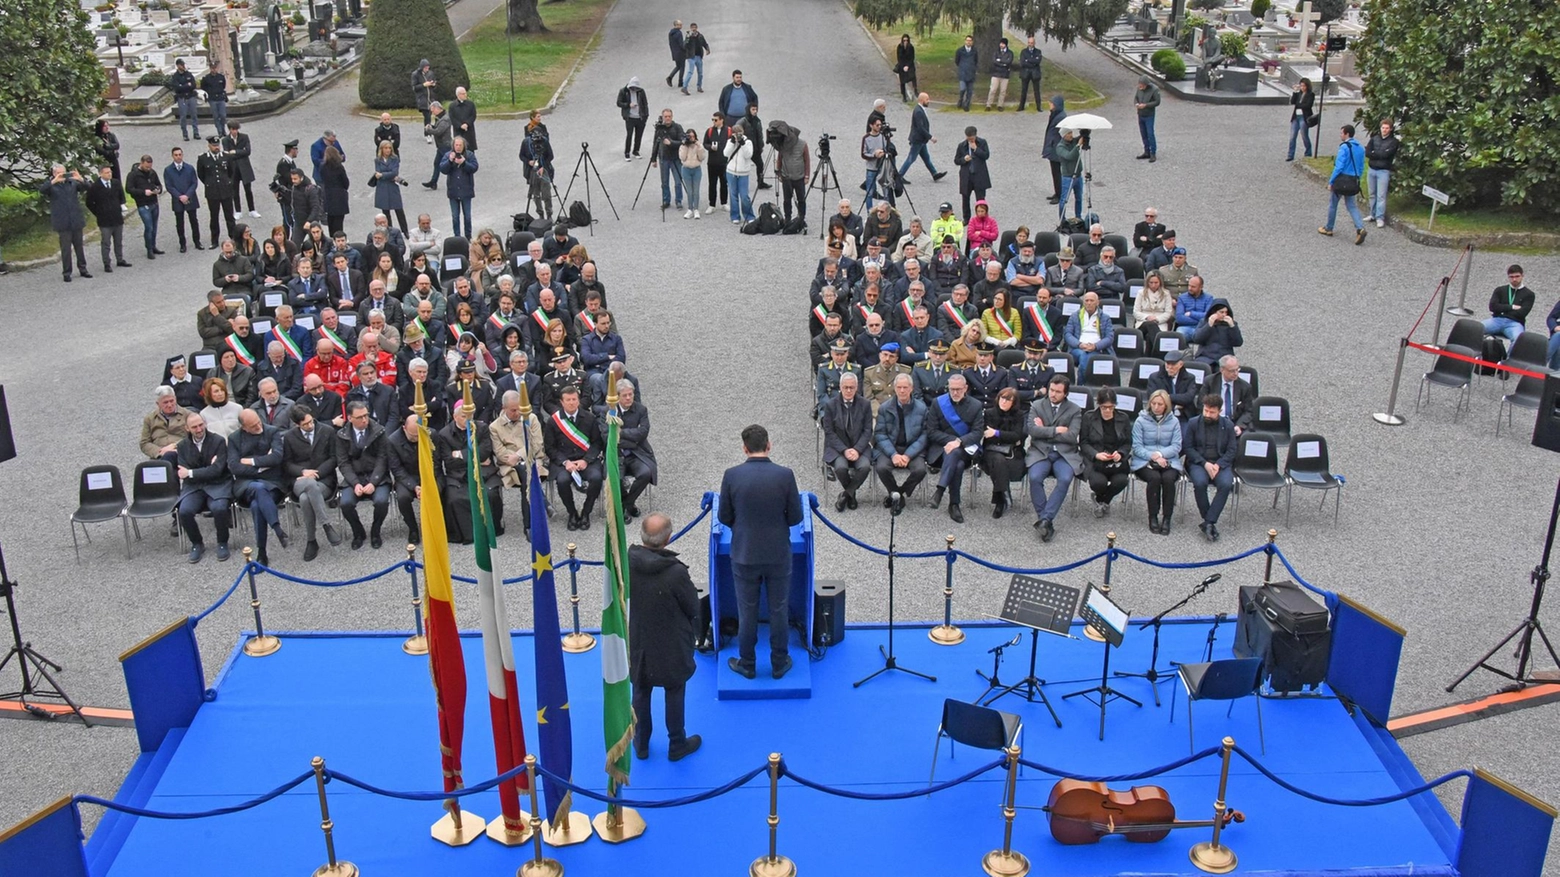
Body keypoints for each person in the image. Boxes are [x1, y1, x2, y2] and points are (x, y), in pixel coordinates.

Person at [718, 424, 803, 681]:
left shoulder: (731, 475)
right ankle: (779, 662)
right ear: (769, 445)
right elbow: (795, 517)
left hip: (744, 554)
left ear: (744, 448)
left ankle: (747, 663)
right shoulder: (785, 475)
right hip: (778, 553)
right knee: (779, 610)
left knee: (747, 611)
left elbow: (724, 516)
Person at [629, 512, 702, 761]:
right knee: (674, 690)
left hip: (640, 639)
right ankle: (677, 744)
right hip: (671, 643)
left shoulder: (629, 561)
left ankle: (641, 743)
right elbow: (693, 606)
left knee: (641, 690)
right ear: (668, 538)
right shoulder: (675, 573)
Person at [228, 408, 289, 565]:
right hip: (246, 485)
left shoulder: (272, 432)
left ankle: (262, 552)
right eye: (253, 426)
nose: (258, 427)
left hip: (272, 482)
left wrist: (251, 461)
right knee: (258, 488)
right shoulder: (234, 439)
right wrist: (263, 465)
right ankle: (277, 529)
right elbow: (234, 466)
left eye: (258, 422)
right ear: (244, 427)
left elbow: (276, 458)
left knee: (257, 505)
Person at [1025, 374, 1081, 543]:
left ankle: (1045, 519)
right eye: (1051, 390)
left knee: (1064, 479)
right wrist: (1057, 430)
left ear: (1065, 394)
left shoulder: (1075, 410)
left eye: (1058, 391)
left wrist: (1046, 431)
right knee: (1034, 477)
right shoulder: (1036, 405)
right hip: (1040, 452)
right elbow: (1032, 431)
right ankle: (1046, 519)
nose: (1053, 394)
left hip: (1064, 454)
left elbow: (1072, 436)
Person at [281, 406, 341, 561]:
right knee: (308, 485)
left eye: (310, 421)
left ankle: (311, 540)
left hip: (324, 479)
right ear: (296, 424)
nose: (309, 425)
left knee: (305, 499)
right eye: (305, 424)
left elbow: (334, 458)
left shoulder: (327, 431)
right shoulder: (289, 437)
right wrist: (303, 472)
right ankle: (326, 524)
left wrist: (316, 473)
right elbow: (287, 464)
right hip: (300, 480)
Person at [175, 412, 233, 563]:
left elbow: (218, 470)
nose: (199, 429)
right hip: (194, 487)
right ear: (187, 428)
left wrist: (192, 472)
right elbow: (182, 472)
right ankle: (197, 543)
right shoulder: (182, 446)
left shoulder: (218, 441)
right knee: (185, 511)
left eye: (201, 425)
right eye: (194, 427)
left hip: (218, 484)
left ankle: (222, 542)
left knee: (220, 508)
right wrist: (208, 467)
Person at [926, 374, 984, 523]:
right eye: (952, 389)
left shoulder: (976, 405)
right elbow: (931, 431)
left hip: (966, 449)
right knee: (956, 464)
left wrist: (959, 441)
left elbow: (977, 433)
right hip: (941, 449)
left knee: (956, 453)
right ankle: (954, 504)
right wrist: (953, 441)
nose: (955, 393)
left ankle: (940, 491)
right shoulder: (938, 403)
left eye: (958, 389)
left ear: (965, 388)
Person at [334, 399, 391, 549]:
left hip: (376, 476)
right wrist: (355, 483)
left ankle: (376, 531)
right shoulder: (342, 435)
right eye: (360, 417)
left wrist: (374, 482)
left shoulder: (379, 431)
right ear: (350, 418)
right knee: (346, 504)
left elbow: (382, 458)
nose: (364, 420)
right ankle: (358, 532)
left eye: (366, 415)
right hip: (355, 477)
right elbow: (343, 462)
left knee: (381, 501)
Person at [544, 385, 602, 530]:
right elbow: (550, 447)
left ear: (578, 400)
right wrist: (565, 462)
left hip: (585, 459)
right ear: (561, 402)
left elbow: (597, 443)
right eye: (568, 400)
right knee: (562, 481)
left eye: (574, 399)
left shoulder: (589, 418)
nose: (571, 403)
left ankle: (586, 512)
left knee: (596, 478)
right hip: (564, 461)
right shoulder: (553, 421)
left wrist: (586, 460)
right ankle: (572, 513)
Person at [1184, 394, 1236, 542]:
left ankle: (1208, 522)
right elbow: (1188, 447)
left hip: (1220, 463)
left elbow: (1232, 450)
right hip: (1199, 462)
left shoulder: (1228, 425)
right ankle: (1209, 521)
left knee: (1226, 484)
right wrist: (1205, 464)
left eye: (1211, 412)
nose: (1207, 414)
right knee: (1200, 483)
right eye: (1205, 410)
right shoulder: (1193, 423)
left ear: (1219, 411)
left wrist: (1218, 465)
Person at [1132, 389, 1182, 535]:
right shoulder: (1140, 421)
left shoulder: (1174, 422)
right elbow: (1137, 446)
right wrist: (1153, 456)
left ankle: (1167, 518)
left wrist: (1161, 455)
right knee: (1154, 479)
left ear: (1166, 405)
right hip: (1144, 460)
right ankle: (1152, 516)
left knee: (1168, 479)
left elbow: (1176, 445)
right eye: (1153, 403)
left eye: (1160, 404)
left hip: (1168, 459)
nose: (1156, 407)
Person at [821, 373, 873, 511]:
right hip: (838, 448)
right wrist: (845, 450)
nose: (849, 391)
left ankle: (846, 494)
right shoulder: (830, 405)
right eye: (846, 387)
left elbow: (868, 430)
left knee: (865, 467)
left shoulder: (865, 404)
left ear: (857, 388)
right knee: (840, 468)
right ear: (840, 387)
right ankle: (852, 495)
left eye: (851, 387)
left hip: (859, 447)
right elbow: (829, 432)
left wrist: (857, 449)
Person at [1080, 387, 1132, 517]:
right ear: (1099, 405)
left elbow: (1127, 443)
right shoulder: (1089, 417)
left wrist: (1120, 453)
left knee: (1122, 481)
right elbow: (1083, 443)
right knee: (1098, 483)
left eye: (1111, 407)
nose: (1108, 410)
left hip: (1116, 462)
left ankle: (1102, 500)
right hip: (1096, 460)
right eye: (1104, 407)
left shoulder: (1123, 418)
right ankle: (1103, 501)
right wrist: (1096, 454)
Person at [40, 165, 89, 282]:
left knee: (79, 247)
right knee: (66, 249)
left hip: (75, 220)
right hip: (63, 222)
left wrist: (80, 178)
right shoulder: (51, 185)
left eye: (64, 173)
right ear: (54, 173)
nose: (63, 176)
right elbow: (42, 190)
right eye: (60, 173)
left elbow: (87, 187)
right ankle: (67, 272)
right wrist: (54, 181)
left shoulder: (72, 183)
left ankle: (83, 269)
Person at [1320, 124, 1367, 245]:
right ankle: (1360, 228)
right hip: (1353, 180)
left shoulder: (1344, 148)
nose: (1340, 135)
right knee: (1351, 205)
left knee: (1333, 204)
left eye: (1342, 133)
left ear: (1347, 134)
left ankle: (1329, 228)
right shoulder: (1361, 148)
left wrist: (1331, 181)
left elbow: (1339, 166)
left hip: (1342, 180)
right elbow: (1361, 167)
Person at [981, 387, 1025, 517]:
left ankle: (1000, 496)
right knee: (998, 461)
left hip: (1013, 451)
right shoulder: (989, 413)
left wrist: (996, 432)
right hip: (991, 450)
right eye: (1002, 398)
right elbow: (986, 435)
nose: (1004, 402)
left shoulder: (1019, 415)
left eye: (1008, 400)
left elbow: (1017, 435)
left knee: (1002, 465)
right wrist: (1007, 436)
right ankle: (1002, 497)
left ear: (1014, 403)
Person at [84, 164, 129, 273]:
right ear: (100, 174)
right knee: (106, 242)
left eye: (110, 172)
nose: (109, 174)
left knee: (118, 240)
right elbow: (89, 202)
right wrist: (98, 213)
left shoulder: (116, 183)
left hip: (117, 217)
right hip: (104, 220)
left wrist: (121, 206)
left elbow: (121, 196)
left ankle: (120, 259)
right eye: (107, 172)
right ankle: (107, 263)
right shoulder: (95, 187)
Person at [1484, 265, 1536, 351]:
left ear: (1522, 276)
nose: (1514, 279)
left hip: (1515, 323)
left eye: (1517, 276)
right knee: (1476, 329)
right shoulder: (1500, 290)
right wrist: (1512, 307)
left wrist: (1502, 309)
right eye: (1511, 277)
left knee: (1518, 340)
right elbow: (1492, 307)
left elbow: (1522, 313)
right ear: (1508, 277)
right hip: (1497, 320)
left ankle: (1508, 362)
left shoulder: (1529, 294)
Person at [897, 92, 946, 184]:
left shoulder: (920, 109)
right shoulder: (918, 111)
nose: (929, 101)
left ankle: (934, 173)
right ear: (922, 100)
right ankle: (899, 176)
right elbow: (920, 127)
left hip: (921, 140)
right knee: (911, 158)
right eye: (927, 99)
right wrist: (930, 137)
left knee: (926, 157)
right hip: (918, 140)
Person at [197, 135, 237, 246]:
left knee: (229, 216)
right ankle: (214, 240)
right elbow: (201, 175)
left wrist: (227, 182)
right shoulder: (203, 158)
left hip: (226, 191)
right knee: (214, 217)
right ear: (209, 145)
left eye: (217, 145)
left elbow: (231, 172)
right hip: (212, 192)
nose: (216, 147)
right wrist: (210, 183)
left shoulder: (226, 157)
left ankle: (233, 237)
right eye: (214, 145)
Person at [771, 120, 810, 226]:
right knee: (787, 200)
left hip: (799, 177)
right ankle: (787, 218)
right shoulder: (782, 145)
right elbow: (780, 159)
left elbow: (807, 161)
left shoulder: (803, 144)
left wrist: (807, 175)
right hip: (786, 177)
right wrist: (779, 173)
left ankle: (801, 217)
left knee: (801, 199)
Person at [126, 154, 164, 260]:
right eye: (147, 166)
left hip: (154, 202)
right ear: (141, 163)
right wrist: (143, 192)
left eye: (150, 166)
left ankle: (153, 245)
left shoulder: (152, 173)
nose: (148, 168)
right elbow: (128, 189)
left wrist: (158, 189)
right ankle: (149, 249)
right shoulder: (133, 175)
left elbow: (159, 184)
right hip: (143, 204)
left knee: (154, 227)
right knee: (149, 227)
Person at [1065, 291, 1115, 372]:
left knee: (1085, 358)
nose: (1089, 303)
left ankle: (1081, 384)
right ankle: (1084, 383)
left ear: (1097, 302)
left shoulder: (1105, 318)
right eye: (1086, 300)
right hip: (1078, 348)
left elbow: (1109, 338)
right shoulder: (1075, 316)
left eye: (1092, 301)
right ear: (1083, 302)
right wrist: (1080, 344)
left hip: (1098, 349)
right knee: (1084, 355)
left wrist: (1095, 346)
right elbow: (1067, 334)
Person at [439, 137, 478, 239]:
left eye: (460, 145)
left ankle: (468, 236)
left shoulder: (469, 155)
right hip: (453, 191)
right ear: (453, 145)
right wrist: (450, 161)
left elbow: (474, 168)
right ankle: (457, 237)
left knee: (467, 216)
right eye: (456, 145)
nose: (458, 147)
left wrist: (464, 163)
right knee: (455, 217)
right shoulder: (448, 155)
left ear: (464, 146)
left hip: (466, 191)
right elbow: (443, 169)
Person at [1364, 119, 1400, 228]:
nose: (1384, 130)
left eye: (1387, 128)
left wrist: (1375, 153)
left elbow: (1387, 155)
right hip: (1372, 169)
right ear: (1380, 128)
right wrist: (1377, 154)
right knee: (1372, 194)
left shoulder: (1394, 142)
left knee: (1381, 195)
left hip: (1383, 171)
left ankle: (1380, 217)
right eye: (1383, 128)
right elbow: (1368, 152)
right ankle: (1372, 214)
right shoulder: (1374, 139)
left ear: (1390, 129)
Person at [954, 126, 991, 223]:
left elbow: (986, 155)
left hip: (979, 176)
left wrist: (976, 149)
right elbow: (956, 160)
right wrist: (963, 160)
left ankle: (982, 217)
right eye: (968, 138)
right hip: (967, 176)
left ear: (975, 136)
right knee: (965, 198)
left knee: (980, 198)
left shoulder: (982, 143)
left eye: (972, 138)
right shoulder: (961, 145)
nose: (970, 140)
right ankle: (966, 218)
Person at [370, 140, 407, 235]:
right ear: (381, 149)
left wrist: (382, 175)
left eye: (389, 148)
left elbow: (394, 172)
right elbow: (378, 173)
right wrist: (387, 175)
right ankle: (389, 231)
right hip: (382, 187)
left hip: (392, 186)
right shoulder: (377, 160)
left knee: (399, 209)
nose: (388, 150)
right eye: (386, 148)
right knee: (385, 211)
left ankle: (405, 230)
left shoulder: (395, 159)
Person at [723, 121, 756, 225]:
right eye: (735, 133)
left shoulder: (748, 142)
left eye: (739, 133)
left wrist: (742, 144)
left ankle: (749, 215)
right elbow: (725, 153)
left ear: (743, 132)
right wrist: (732, 142)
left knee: (744, 196)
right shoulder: (730, 142)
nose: (737, 135)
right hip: (731, 171)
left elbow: (748, 155)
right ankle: (735, 215)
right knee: (733, 195)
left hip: (743, 173)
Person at [222, 121, 258, 218]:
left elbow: (248, 151)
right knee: (235, 190)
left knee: (248, 189)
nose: (235, 131)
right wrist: (240, 152)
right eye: (233, 129)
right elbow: (227, 154)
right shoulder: (225, 140)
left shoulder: (244, 137)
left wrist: (235, 152)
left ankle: (252, 209)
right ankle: (238, 211)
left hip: (244, 167)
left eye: (236, 129)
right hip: (233, 168)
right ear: (229, 129)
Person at [1191, 299, 1243, 364]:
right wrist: (1209, 325)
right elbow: (1196, 339)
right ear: (1214, 312)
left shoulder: (1231, 324)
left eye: (1226, 312)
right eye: (1221, 312)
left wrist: (1232, 327)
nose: (1224, 315)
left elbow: (1238, 343)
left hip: (1224, 357)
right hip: (1206, 356)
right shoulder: (1204, 322)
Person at [860, 117, 892, 211]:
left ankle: (886, 211)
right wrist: (874, 155)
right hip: (871, 168)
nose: (879, 127)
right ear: (871, 125)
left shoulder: (883, 136)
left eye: (880, 125)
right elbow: (863, 154)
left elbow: (889, 149)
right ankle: (869, 213)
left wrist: (884, 153)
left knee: (886, 192)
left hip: (883, 167)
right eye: (877, 125)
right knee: (869, 193)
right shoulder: (866, 138)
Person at [1042, 95, 1067, 204]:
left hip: (1056, 148)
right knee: (1055, 172)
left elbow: (1064, 133)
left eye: (1051, 103)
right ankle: (1057, 192)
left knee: (1057, 173)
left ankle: (1060, 194)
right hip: (1053, 147)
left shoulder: (1060, 117)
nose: (1050, 104)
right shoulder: (1056, 115)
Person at [422, 102, 452, 190]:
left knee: (449, 164)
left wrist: (429, 129)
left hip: (445, 145)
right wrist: (432, 126)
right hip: (441, 146)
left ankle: (453, 181)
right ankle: (433, 182)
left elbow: (439, 131)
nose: (432, 113)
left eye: (433, 111)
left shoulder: (445, 119)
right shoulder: (440, 118)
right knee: (437, 163)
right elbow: (438, 128)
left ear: (437, 108)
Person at [677, 128, 706, 220]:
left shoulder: (698, 145)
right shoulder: (683, 146)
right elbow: (682, 158)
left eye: (693, 136)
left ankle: (696, 209)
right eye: (690, 137)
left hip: (696, 169)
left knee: (696, 190)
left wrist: (699, 147)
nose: (692, 138)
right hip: (686, 169)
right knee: (689, 191)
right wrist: (685, 145)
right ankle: (690, 209)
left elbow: (702, 158)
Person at [1055, 129, 1083, 222]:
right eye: (1069, 133)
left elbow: (1083, 138)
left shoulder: (1073, 141)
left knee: (1079, 198)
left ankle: (1078, 217)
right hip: (1068, 176)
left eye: (1071, 133)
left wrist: (1085, 132)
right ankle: (1062, 219)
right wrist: (1078, 145)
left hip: (1078, 175)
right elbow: (1069, 156)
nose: (1071, 135)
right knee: (1064, 199)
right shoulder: (1060, 147)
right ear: (1063, 135)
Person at [617, 76, 649, 160]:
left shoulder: (641, 92)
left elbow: (645, 104)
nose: (634, 89)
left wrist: (646, 116)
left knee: (639, 135)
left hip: (640, 117)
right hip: (630, 117)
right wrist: (628, 105)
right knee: (629, 135)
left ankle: (636, 151)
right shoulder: (623, 91)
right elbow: (619, 103)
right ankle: (627, 152)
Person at [170, 59, 200, 141]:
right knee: (183, 117)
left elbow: (193, 85)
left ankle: (196, 133)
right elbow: (177, 88)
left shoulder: (189, 74)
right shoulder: (175, 76)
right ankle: (185, 134)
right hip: (182, 98)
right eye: (181, 65)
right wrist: (187, 85)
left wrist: (183, 86)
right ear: (178, 66)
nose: (183, 66)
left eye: (183, 64)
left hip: (191, 96)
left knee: (194, 115)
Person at [1287, 78, 1315, 162]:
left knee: (1304, 136)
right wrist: (1295, 92)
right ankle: (1290, 155)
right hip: (1296, 116)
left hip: (1304, 116)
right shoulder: (1299, 94)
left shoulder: (1311, 94)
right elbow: (1292, 102)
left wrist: (1299, 104)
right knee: (1292, 136)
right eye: (1301, 85)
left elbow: (1308, 105)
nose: (1302, 87)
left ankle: (1308, 153)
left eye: (1304, 86)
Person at [1134, 74, 1161, 162]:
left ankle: (1153, 152)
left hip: (1149, 114)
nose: (1140, 86)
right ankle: (1146, 151)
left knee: (1150, 133)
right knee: (1143, 133)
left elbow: (1157, 102)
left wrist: (1146, 105)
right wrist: (1136, 104)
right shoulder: (1139, 89)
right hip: (1140, 114)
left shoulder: (1155, 90)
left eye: (1141, 85)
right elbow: (1136, 98)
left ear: (1146, 84)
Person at [985, 38, 1014, 110]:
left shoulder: (1010, 53)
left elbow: (1008, 62)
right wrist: (1003, 63)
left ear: (1006, 45)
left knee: (1003, 91)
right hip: (996, 74)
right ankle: (989, 105)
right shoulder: (996, 52)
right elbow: (994, 61)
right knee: (992, 90)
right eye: (1001, 43)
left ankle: (1000, 105)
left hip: (1005, 75)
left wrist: (1000, 61)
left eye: (1003, 44)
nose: (1001, 45)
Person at [681, 22, 710, 94]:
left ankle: (699, 86)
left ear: (697, 28)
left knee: (700, 73)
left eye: (695, 27)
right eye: (692, 28)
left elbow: (705, 43)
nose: (693, 29)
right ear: (691, 28)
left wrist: (707, 49)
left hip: (698, 56)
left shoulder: (700, 36)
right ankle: (684, 87)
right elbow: (684, 46)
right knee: (690, 72)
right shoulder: (688, 36)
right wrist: (687, 38)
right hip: (691, 56)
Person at [1017, 36, 1043, 112]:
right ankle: (1021, 106)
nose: (1030, 44)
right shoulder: (1023, 52)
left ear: (1034, 43)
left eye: (1032, 43)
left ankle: (1038, 107)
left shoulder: (1038, 51)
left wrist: (1028, 60)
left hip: (1035, 74)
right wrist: (1032, 62)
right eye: (1029, 43)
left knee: (1037, 91)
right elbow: (1022, 62)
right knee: (1024, 90)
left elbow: (1037, 61)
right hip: (1025, 73)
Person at [448, 86, 477, 153]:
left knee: (470, 150)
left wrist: (467, 124)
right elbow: (452, 118)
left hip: (469, 130)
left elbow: (473, 115)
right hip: (458, 131)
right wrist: (460, 125)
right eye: (463, 94)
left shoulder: (471, 104)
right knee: (459, 150)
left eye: (465, 93)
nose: (465, 95)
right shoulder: (452, 106)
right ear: (458, 95)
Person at [954, 35, 978, 111]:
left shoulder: (974, 51)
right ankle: (960, 100)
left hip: (971, 73)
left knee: (970, 91)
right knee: (962, 88)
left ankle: (966, 104)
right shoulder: (960, 51)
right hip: (963, 73)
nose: (968, 42)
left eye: (970, 41)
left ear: (972, 42)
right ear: (965, 41)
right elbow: (957, 61)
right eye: (967, 40)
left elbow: (976, 61)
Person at [412, 59, 436, 130]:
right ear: (422, 67)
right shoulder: (415, 74)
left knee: (432, 115)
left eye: (428, 68)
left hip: (431, 98)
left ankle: (431, 130)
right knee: (427, 116)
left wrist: (433, 84)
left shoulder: (430, 73)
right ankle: (427, 133)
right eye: (425, 68)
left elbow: (434, 83)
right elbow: (414, 88)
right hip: (422, 99)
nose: (427, 69)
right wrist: (423, 85)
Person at [894, 34, 919, 102]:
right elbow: (899, 58)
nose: (905, 42)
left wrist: (907, 66)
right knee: (902, 81)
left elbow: (912, 58)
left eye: (907, 40)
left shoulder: (911, 47)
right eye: (904, 40)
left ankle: (915, 90)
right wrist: (903, 66)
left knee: (913, 77)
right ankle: (904, 96)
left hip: (909, 65)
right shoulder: (900, 47)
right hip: (902, 65)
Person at [666, 19, 686, 89]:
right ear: (676, 25)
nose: (681, 26)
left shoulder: (671, 33)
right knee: (682, 67)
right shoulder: (679, 33)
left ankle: (670, 77)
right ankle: (680, 82)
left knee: (678, 66)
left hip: (674, 52)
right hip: (681, 53)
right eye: (680, 25)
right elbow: (681, 44)